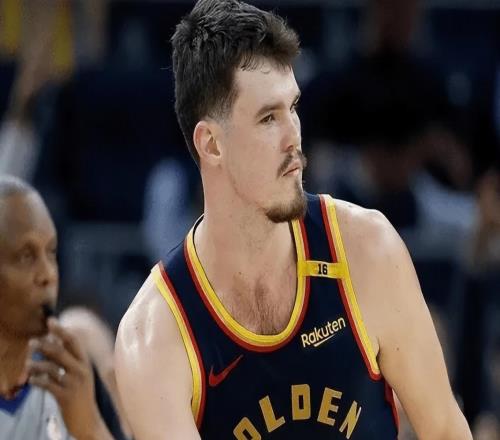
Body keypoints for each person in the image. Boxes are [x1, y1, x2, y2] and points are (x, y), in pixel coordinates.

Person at [115, 0, 472, 438]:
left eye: (294, 108)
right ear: (211, 144)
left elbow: (445, 429)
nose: (294, 137)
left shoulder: (367, 248)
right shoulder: (155, 335)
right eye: (269, 118)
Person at [0, 174, 117, 439]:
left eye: (51, 252)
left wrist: (90, 428)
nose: (48, 274)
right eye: (26, 256)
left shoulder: (77, 378)